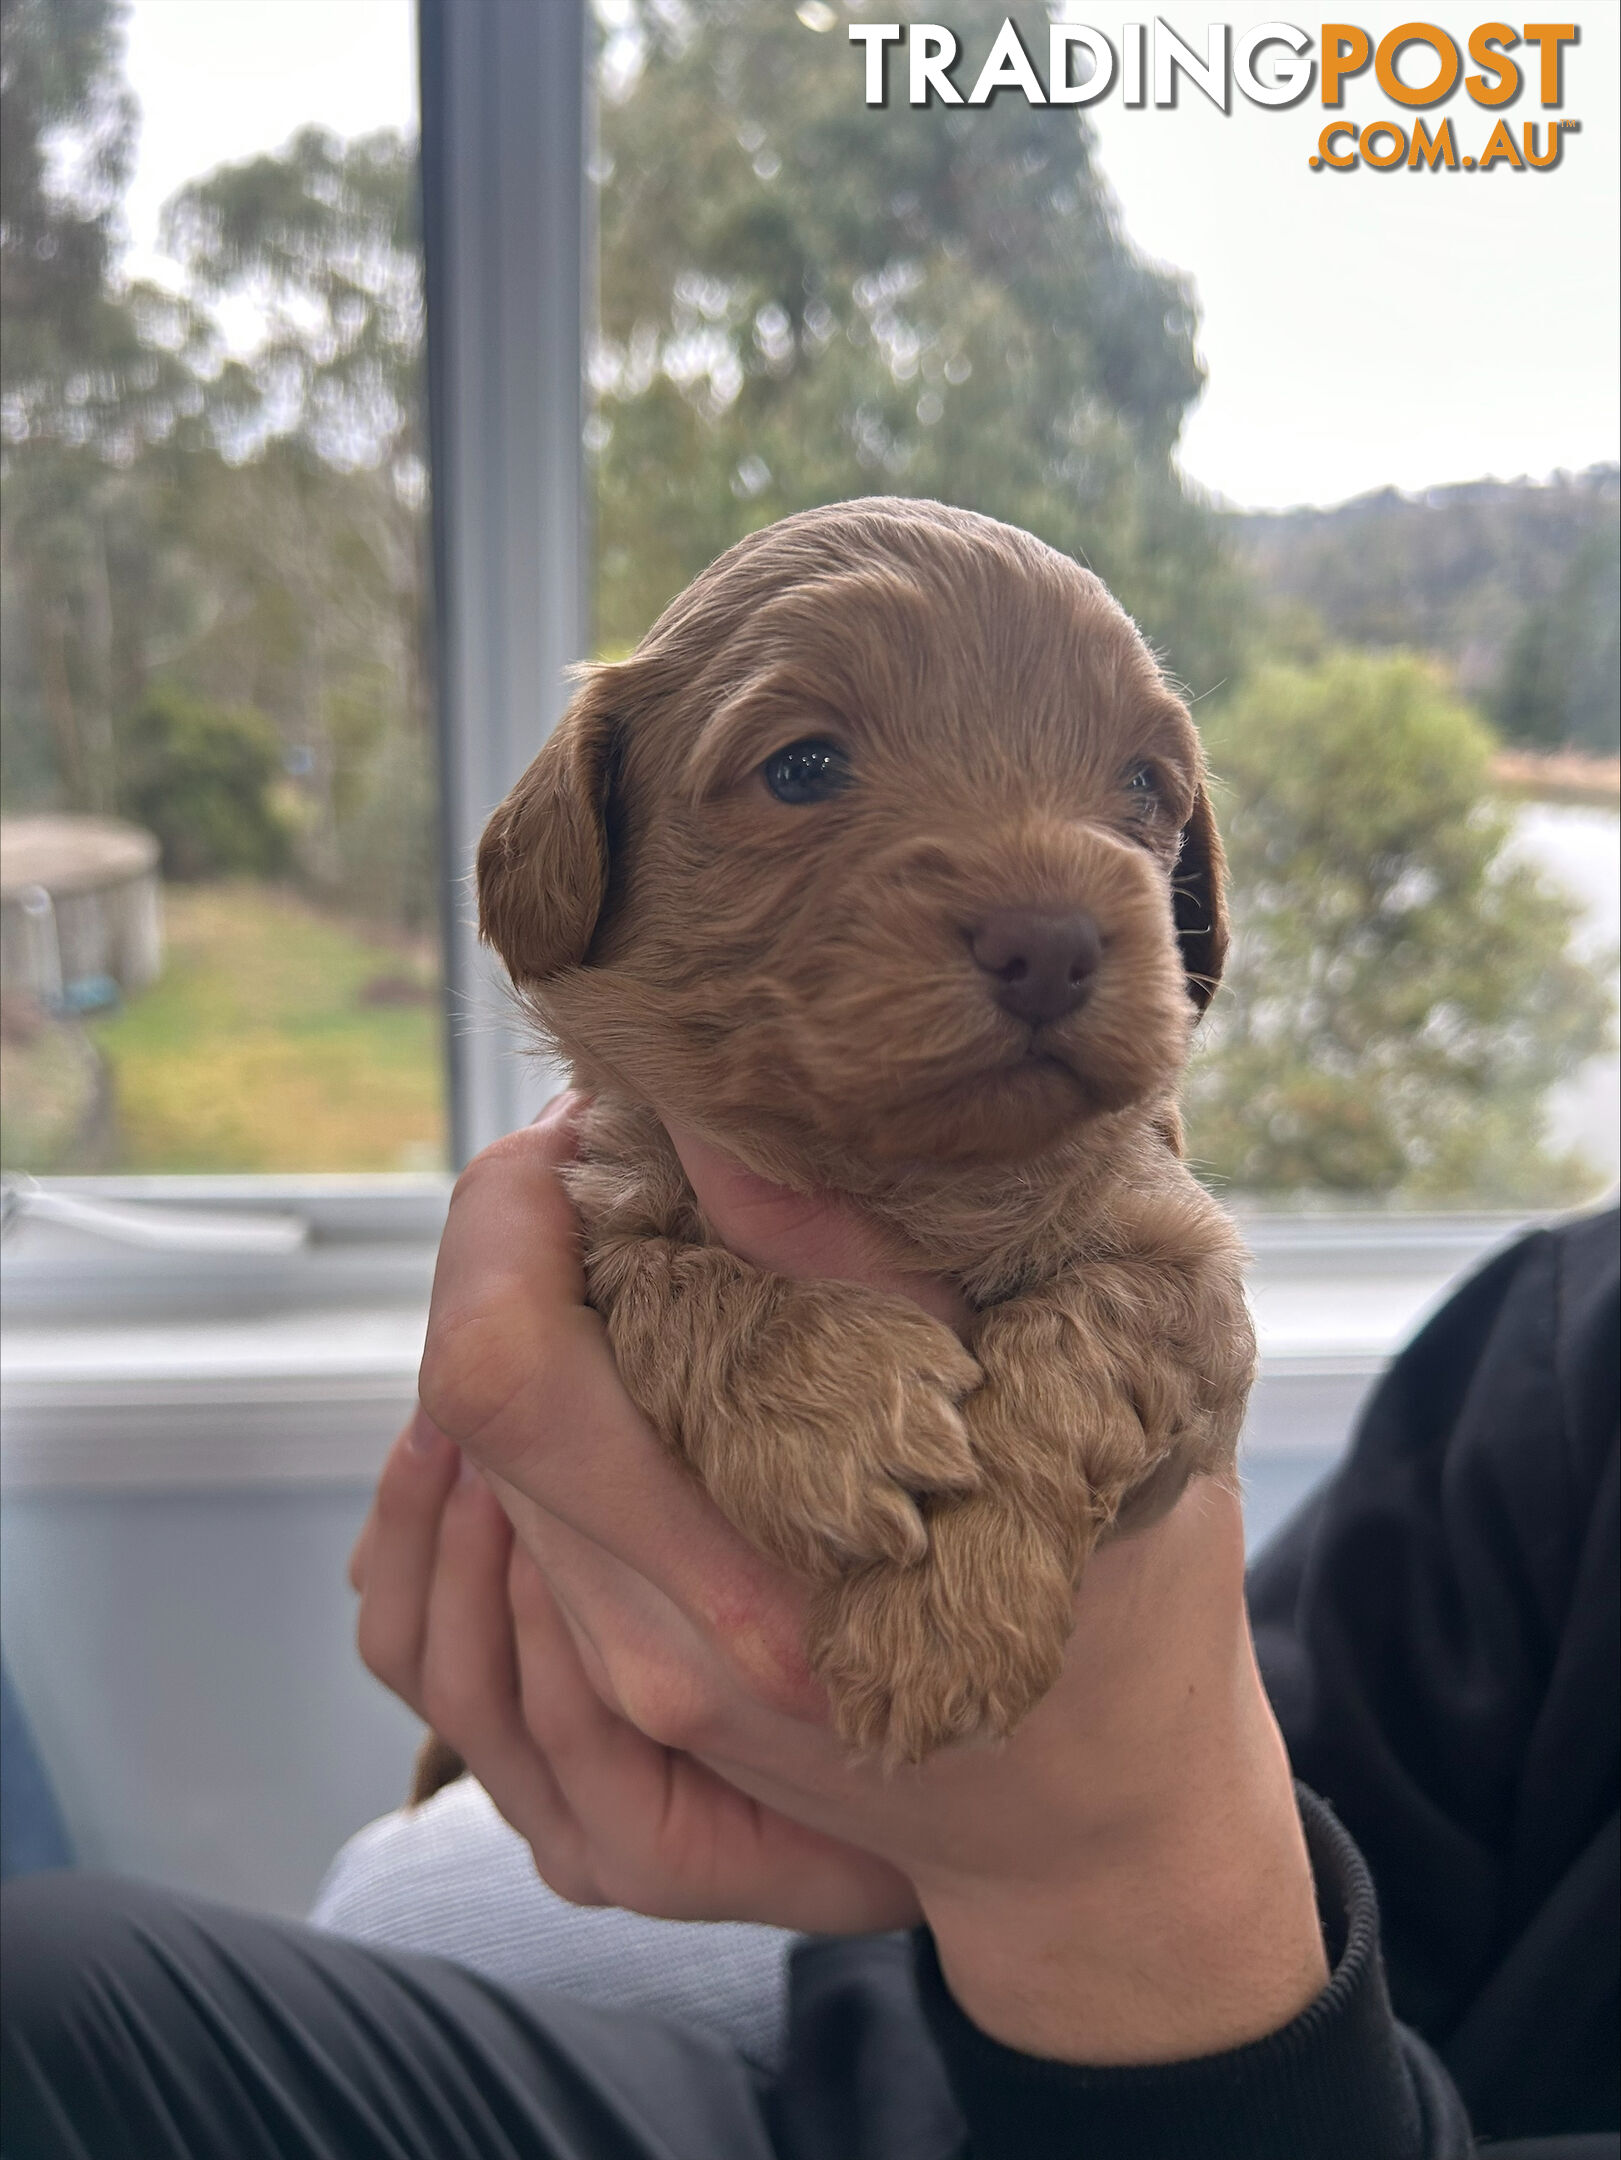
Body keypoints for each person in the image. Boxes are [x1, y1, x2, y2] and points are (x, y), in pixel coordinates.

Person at [2, 1098, 1616, 2159]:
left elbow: (1148, 1842)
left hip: (1204, 2094)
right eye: (803, 771)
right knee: (49, 1991)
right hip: (935, 2058)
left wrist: (1103, 1886)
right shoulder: (1570, 1332)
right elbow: (1295, 1728)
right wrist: (929, 1854)